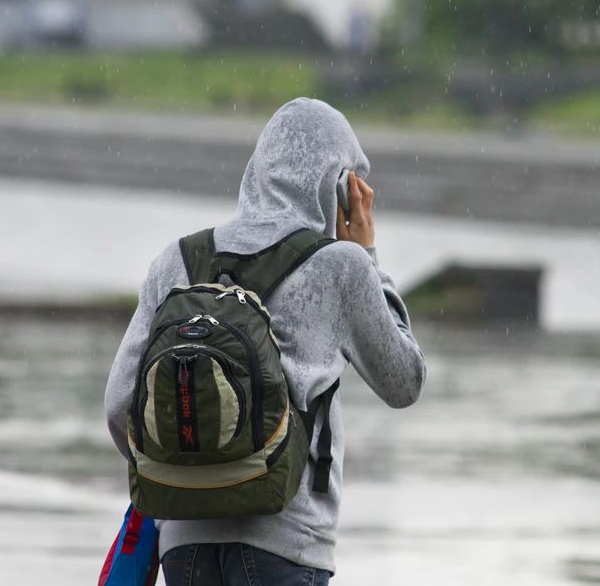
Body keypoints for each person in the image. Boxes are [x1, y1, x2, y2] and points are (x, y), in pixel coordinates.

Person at [104, 97, 427, 585]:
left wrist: (196, 475)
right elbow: (404, 382)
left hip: (184, 546)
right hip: (287, 543)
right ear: (339, 186)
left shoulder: (177, 259)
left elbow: (117, 408)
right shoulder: (341, 266)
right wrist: (368, 254)